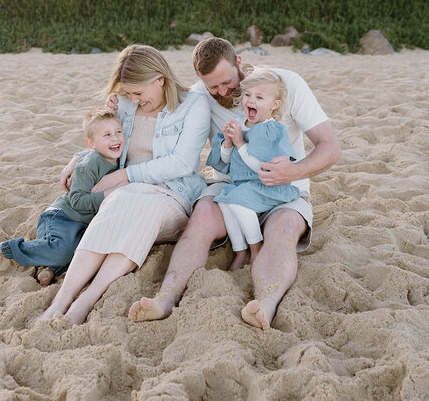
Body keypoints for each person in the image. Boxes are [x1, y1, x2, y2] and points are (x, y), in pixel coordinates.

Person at [128, 37, 341, 330]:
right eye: (213, 87)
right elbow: (151, 109)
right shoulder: (201, 97)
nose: (224, 92)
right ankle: (165, 299)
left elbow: (330, 147)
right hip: (231, 185)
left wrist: (292, 172)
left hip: (283, 187)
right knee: (200, 218)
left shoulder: (286, 84)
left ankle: (264, 304)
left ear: (240, 63)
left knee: (284, 230)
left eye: (228, 82)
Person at [38, 44, 210, 325]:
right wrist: (78, 158)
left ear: (160, 80)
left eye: (139, 93)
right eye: (128, 93)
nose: (133, 99)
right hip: (126, 193)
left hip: (171, 193)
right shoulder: (126, 104)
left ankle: (86, 300)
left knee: (133, 203)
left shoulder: (193, 105)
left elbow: (181, 162)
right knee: (116, 202)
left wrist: (125, 176)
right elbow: (109, 142)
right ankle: (61, 301)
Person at [0, 107, 124, 286]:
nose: (115, 138)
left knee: (88, 252)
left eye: (118, 132)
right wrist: (107, 194)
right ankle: (3, 248)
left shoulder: (118, 158)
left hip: (82, 225)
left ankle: (52, 269)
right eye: (106, 135)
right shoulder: (88, 166)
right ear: (91, 144)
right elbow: (77, 201)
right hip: (62, 218)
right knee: (61, 249)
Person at [206, 68, 300, 271]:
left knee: (238, 203)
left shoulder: (271, 129)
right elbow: (226, 161)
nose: (251, 100)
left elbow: (263, 168)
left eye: (259, 97)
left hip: (264, 184)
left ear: (274, 105)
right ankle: (240, 250)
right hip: (242, 185)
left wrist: (240, 143)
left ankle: (255, 247)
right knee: (224, 202)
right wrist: (228, 144)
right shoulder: (240, 124)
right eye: (248, 95)